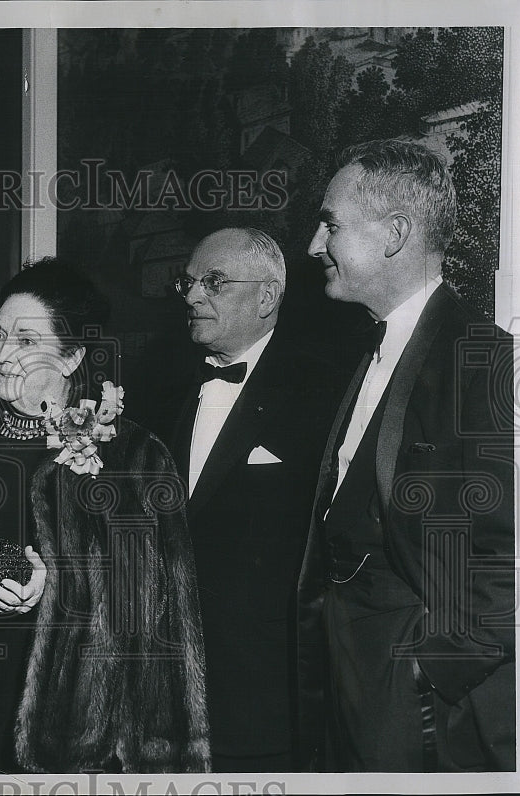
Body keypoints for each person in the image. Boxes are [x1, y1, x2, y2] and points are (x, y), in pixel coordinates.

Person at [0, 257, 212, 774]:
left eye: (26, 342)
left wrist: (55, 588)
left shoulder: (131, 458)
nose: (2, 355)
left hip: (73, 739)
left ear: (72, 358)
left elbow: (145, 616)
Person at [297, 139, 515, 771]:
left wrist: (431, 669)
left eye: (331, 223)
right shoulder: (367, 349)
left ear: (394, 234)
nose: (315, 245)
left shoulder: (485, 361)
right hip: (351, 665)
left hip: (413, 685)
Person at [150, 228, 351, 772]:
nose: (192, 296)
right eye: (188, 283)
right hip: (160, 693)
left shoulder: (324, 394)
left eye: (213, 282)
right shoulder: (159, 391)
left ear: (267, 296)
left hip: (264, 701)